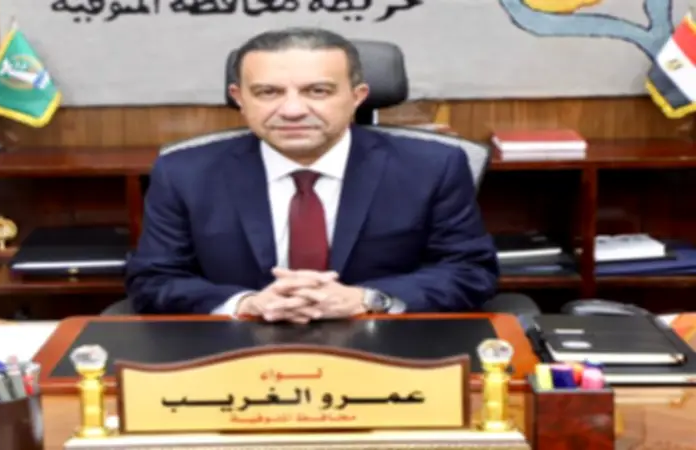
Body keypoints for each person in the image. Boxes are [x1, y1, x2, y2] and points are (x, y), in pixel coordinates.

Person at [125, 27, 499, 323]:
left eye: (317, 91)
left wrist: (366, 299)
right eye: (267, 92)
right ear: (240, 98)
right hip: (235, 349)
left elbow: (468, 271)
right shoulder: (184, 173)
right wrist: (246, 303)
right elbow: (155, 280)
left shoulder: (432, 167)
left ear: (357, 96)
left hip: (384, 341)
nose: (292, 110)